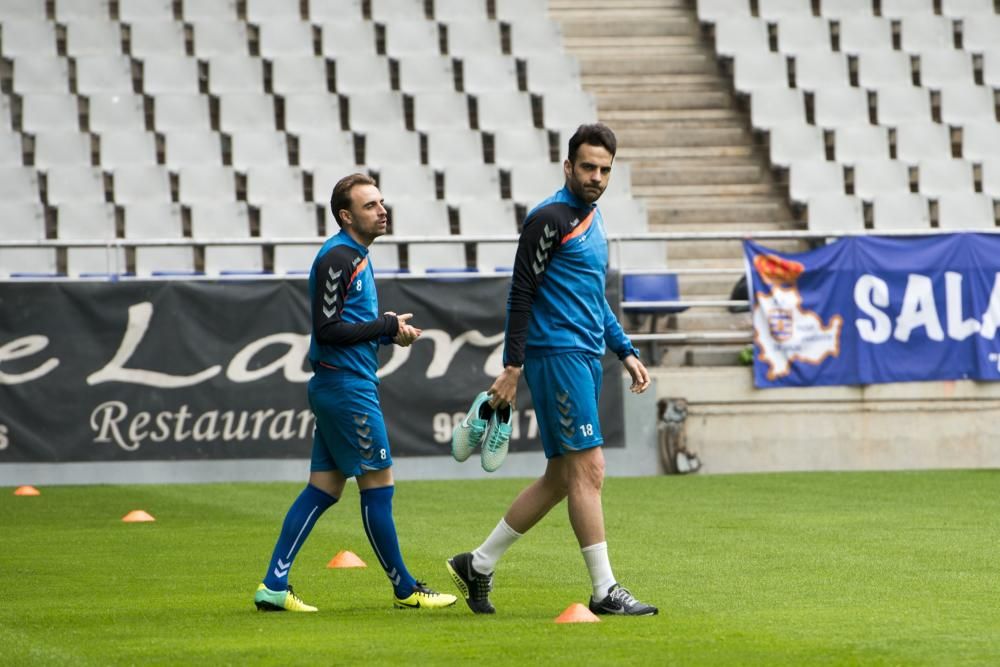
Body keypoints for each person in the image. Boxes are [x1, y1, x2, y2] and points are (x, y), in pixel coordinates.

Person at [446, 123, 657, 616]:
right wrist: (512, 365)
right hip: (556, 355)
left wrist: (624, 349)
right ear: (568, 167)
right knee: (591, 468)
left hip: (586, 356)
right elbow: (521, 293)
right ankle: (605, 590)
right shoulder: (549, 219)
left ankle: (477, 564)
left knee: (561, 479)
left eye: (605, 169)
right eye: (588, 167)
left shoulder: (594, 219)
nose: (597, 177)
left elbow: (593, 296)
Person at [254, 173, 457, 612]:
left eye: (382, 202)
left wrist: (389, 333)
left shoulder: (356, 257)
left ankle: (273, 585)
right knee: (378, 485)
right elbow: (327, 329)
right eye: (370, 205)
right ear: (346, 216)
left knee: (323, 489)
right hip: (347, 389)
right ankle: (405, 587)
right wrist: (384, 325)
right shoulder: (338, 258)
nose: (382, 210)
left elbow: (348, 324)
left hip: (342, 384)